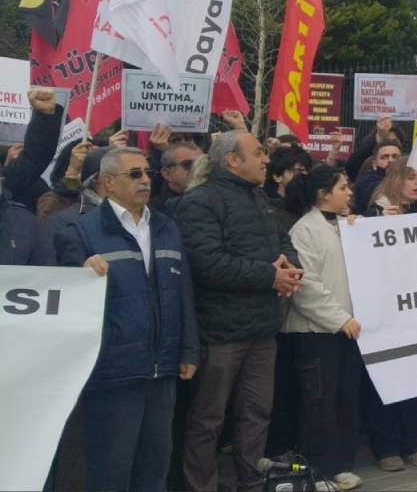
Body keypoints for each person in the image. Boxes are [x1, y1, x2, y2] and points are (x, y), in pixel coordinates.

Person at [56, 147, 198, 491]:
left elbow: (183, 290)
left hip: (162, 368)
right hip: (113, 371)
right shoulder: (81, 230)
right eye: (134, 174)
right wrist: (80, 269)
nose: (145, 180)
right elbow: (66, 297)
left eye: (146, 173)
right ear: (108, 182)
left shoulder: (166, 226)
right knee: (111, 469)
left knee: (154, 467)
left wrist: (189, 348)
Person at [177, 131, 305, 492]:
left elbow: (283, 243)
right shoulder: (200, 202)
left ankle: (251, 482)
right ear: (232, 160)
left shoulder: (258, 198)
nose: (267, 159)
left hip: (262, 328)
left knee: (256, 415)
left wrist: (290, 269)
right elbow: (208, 264)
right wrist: (270, 276)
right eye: (259, 153)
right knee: (208, 421)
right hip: (219, 332)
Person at [280, 166, 363, 490]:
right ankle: (318, 470)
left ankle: (341, 464)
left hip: (348, 329)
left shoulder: (347, 225)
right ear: (322, 193)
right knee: (320, 403)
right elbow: (306, 284)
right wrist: (339, 318)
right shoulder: (305, 230)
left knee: (345, 399)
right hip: (316, 332)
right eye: (343, 187)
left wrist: (359, 231)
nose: (349, 192)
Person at [360, 160, 417, 471]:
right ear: (394, 180)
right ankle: (386, 446)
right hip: (382, 312)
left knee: (413, 378)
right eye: (410, 177)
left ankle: (414, 442)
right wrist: (375, 224)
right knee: (384, 379)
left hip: (416, 311)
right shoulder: (375, 212)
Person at [353, 140, 403, 216]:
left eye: (395, 156)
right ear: (374, 163)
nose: (390, 160)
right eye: (384, 157)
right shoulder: (367, 184)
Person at [154, 141, 203, 215]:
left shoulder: (218, 200)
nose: (197, 169)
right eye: (188, 164)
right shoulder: (153, 211)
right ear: (167, 174)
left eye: (202, 164)